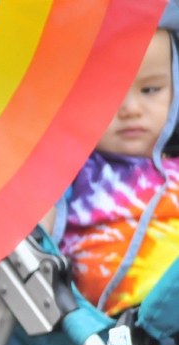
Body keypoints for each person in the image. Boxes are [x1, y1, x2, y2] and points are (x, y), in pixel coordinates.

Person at [52, 26, 179, 315]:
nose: (131, 108)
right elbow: (35, 239)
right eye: (108, 92)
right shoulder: (67, 172)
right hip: (124, 323)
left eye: (149, 90)